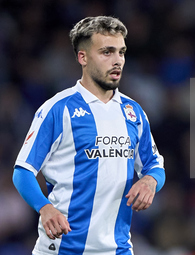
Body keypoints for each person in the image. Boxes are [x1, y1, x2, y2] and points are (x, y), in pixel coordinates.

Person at [12, 16, 165, 255]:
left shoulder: (133, 111)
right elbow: (23, 171)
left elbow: (154, 165)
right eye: (107, 52)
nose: (117, 61)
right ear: (83, 57)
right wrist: (45, 207)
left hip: (118, 248)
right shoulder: (58, 108)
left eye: (121, 52)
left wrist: (150, 180)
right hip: (63, 248)